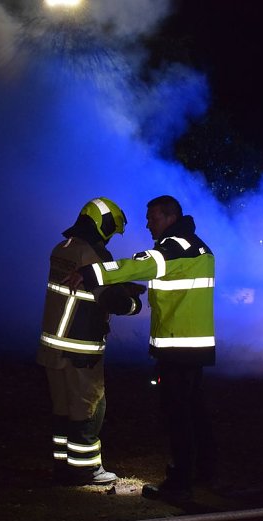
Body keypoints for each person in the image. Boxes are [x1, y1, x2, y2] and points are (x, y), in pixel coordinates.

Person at [64, 195, 216, 502]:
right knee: (194, 413)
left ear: (170, 216)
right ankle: (203, 472)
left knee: (177, 417)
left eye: (153, 217)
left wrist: (92, 273)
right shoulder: (195, 245)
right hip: (191, 346)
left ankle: (179, 484)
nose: (148, 223)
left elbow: (138, 266)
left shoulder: (176, 246)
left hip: (177, 347)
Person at [37, 197, 146, 486]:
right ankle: (86, 469)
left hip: (53, 345)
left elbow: (84, 288)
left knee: (62, 407)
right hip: (81, 346)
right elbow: (111, 300)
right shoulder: (94, 254)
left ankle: (63, 467)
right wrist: (135, 303)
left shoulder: (62, 248)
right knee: (89, 407)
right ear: (104, 225)